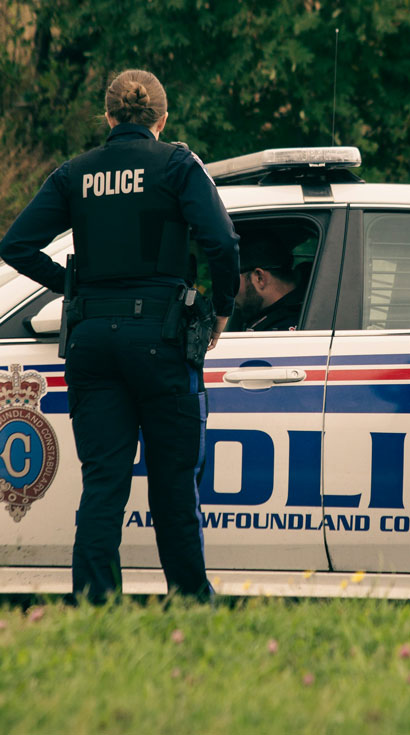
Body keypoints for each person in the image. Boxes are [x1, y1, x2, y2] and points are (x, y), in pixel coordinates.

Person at [0, 69, 240, 603]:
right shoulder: (177, 164)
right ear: (163, 116)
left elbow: (15, 245)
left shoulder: (75, 172)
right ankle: (190, 603)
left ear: (107, 117)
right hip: (162, 338)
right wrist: (220, 310)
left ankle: (93, 605)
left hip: (92, 342)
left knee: (104, 484)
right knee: (173, 484)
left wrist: (71, 284)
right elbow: (222, 242)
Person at [233, 234, 304, 330]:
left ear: (259, 278)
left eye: (232, 280)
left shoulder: (286, 329)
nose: (229, 291)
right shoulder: (304, 313)